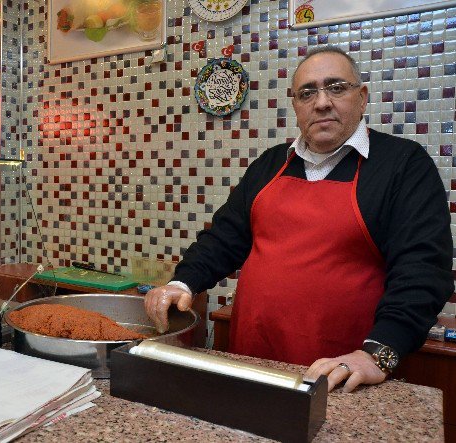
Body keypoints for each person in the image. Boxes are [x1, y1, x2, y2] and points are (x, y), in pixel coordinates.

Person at [145, 46, 453, 393]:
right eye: (307, 92)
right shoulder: (270, 164)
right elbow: (223, 239)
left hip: (343, 376)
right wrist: (181, 284)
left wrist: (378, 352)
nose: (321, 102)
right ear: (295, 105)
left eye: (336, 87)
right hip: (251, 363)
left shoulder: (403, 165)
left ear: (362, 97)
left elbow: (424, 271)